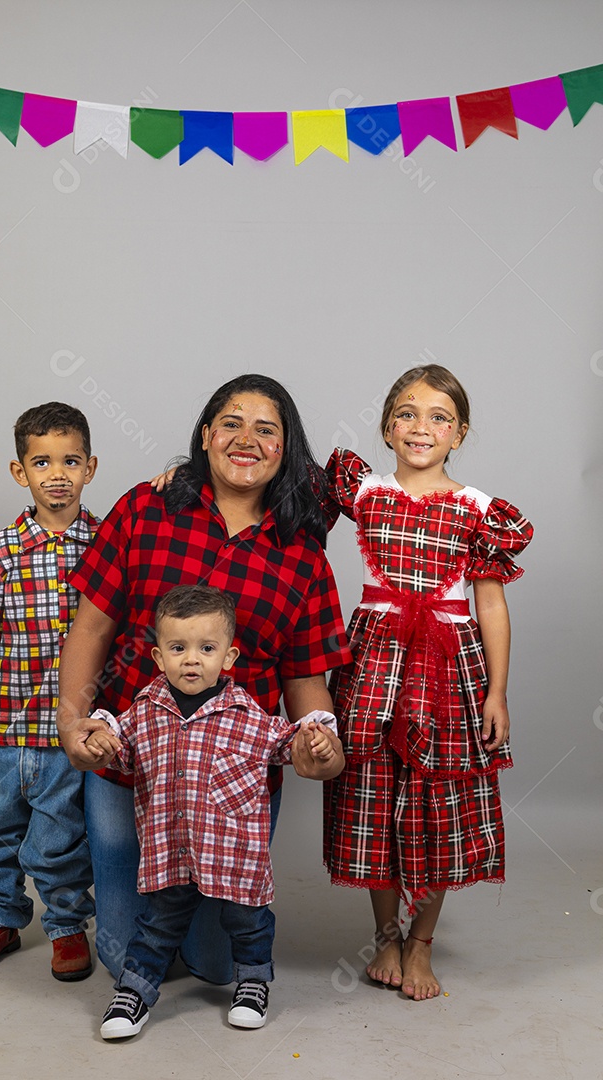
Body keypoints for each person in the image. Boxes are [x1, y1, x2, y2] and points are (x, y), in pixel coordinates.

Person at [56, 373, 351, 984]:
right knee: (122, 956)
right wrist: (72, 720)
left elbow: (303, 678)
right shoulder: (146, 506)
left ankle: (209, 936)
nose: (247, 439)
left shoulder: (303, 555)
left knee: (217, 965)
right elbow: (91, 629)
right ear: (206, 435)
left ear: (286, 448)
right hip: (130, 759)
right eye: (232, 423)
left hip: (234, 781)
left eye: (266, 429)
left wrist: (320, 740)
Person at [321, 365, 533, 1001]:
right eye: (408, 414)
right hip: (374, 659)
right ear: (388, 426)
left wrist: (496, 692)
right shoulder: (362, 491)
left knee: (439, 802)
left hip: (448, 665)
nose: (422, 427)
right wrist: (182, 473)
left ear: (459, 432)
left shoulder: (478, 512)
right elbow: (270, 486)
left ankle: (421, 941)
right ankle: (386, 931)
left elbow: (491, 606)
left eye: (440, 417)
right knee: (372, 791)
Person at [84, 584, 342, 1038]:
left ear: (229, 657)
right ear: (159, 657)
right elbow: (116, 746)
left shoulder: (248, 715)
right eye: (178, 648)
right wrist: (100, 742)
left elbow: (288, 742)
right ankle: (134, 992)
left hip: (234, 860)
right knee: (155, 924)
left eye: (206, 648)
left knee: (248, 922)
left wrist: (314, 740)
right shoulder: (144, 711)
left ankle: (254, 982)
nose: (191, 660)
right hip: (170, 852)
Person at [0, 402, 99, 980]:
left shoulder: (105, 542)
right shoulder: (4, 550)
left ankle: (66, 927)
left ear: (90, 467)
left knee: (59, 834)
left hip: (68, 732)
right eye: (42, 462)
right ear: (22, 473)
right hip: (10, 728)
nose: (57, 473)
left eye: (71, 460)